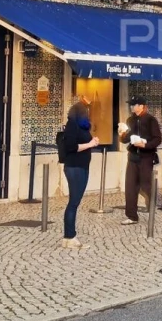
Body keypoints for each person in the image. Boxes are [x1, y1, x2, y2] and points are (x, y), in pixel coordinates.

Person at [61, 97, 100, 248]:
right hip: (74, 167)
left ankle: (68, 237)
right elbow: (71, 147)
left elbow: (86, 143)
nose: (88, 114)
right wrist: (90, 144)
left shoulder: (83, 127)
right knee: (73, 202)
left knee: (75, 202)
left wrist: (93, 141)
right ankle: (69, 237)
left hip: (83, 166)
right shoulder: (71, 126)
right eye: (86, 112)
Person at [118, 96, 162, 226]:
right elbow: (125, 140)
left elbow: (157, 139)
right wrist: (121, 135)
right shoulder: (130, 120)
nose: (131, 107)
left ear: (141, 106)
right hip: (132, 157)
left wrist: (145, 145)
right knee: (130, 187)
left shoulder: (150, 120)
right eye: (131, 105)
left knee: (146, 185)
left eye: (133, 104)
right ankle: (131, 216)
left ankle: (152, 206)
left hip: (146, 157)